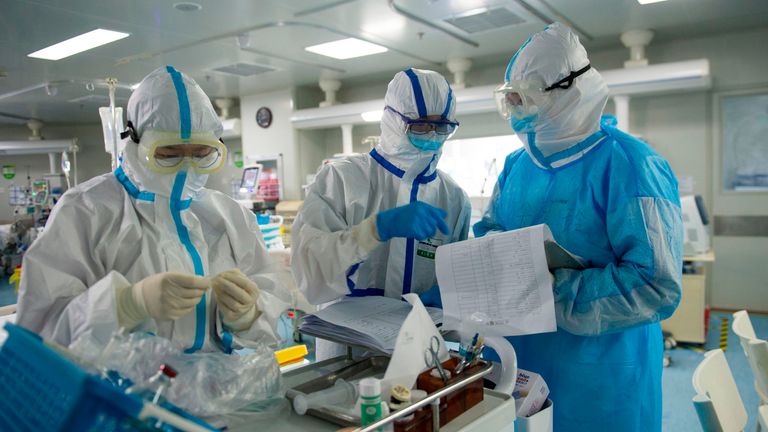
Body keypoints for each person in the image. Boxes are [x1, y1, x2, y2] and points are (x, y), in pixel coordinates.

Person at [476, 23, 683, 431]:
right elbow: (491, 230)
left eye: (525, 100)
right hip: (521, 361)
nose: (517, 112)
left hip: (601, 373)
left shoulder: (633, 165)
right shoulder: (517, 166)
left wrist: (552, 293)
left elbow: (655, 284)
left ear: (567, 94)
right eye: (510, 100)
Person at [17, 66, 288, 352]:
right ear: (135, 143)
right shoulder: (85, 211)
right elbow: (38, 333)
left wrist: (249, 316)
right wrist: (126, 304)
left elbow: (277, 321)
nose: (186, 167)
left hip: (222, 391)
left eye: (201, 153)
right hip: (120, 394)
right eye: (168, 154)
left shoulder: (231, 216)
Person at [292, 68, 471, 310]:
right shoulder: (341, 179)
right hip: (347, 341)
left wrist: (450, 292)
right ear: (393, 120)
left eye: (442, 127)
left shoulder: (453, 198)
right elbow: (310, 271)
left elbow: (458, 271)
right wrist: (374, 230)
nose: (432, 136)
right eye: (420, 126)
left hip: (420, 335)